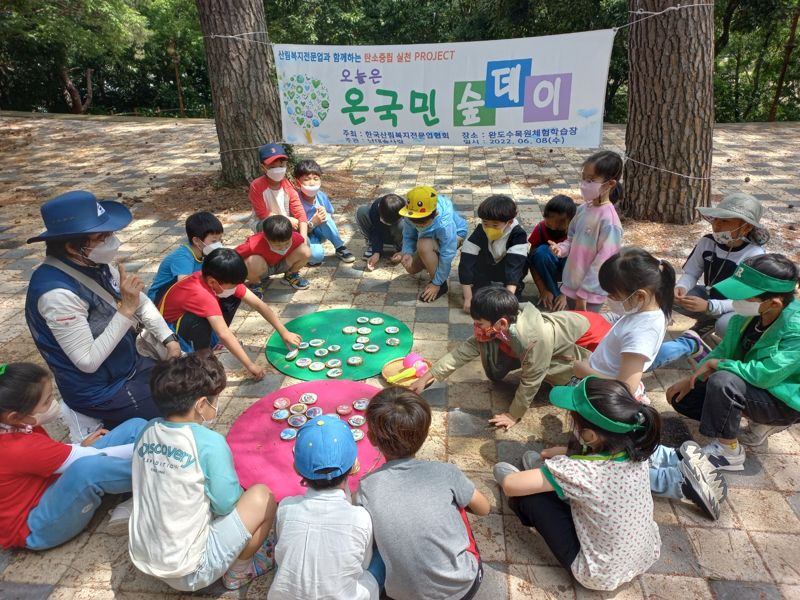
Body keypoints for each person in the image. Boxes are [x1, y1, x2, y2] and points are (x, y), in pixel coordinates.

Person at [25, 190, 181, 438]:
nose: (112, 240)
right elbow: (87, 361)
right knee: (175, 414)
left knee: (193, 378)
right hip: (100, 389)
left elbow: (139, 301)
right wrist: (126, 309)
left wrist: (169, 341)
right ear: (72, 247)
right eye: (103, 236)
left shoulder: (95, 264)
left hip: (129, 364)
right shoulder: (57, 295)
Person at [493, 377, 661, 592]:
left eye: (575, 423)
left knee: (526, 494)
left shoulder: (581, 471)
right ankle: (549, 476)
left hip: (597, 573)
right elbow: (592, 462)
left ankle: (547, 478)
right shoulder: (637, 451)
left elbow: (510, 485)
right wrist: (565, 455)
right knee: (557, 477)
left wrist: (548, 466)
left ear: (590, 435)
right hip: (644, 555)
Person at [129, 352, 278, 591]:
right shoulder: (209, 442)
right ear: (200, 404)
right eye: (214, 400)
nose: (215, 406)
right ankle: (239, 573)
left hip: (145, 557)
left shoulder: (147, 429)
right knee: (262, 497)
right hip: (190, 571)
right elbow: (225, 504)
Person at [667, 253, 800, 470]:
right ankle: (746, 420)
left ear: (774, 303)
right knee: (683, 398)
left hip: (784, 401)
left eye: (745, 297)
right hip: (756, 387)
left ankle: (729, 451)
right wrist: (693, 378)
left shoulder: (796, 328)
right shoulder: (747, 315)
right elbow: (724, 349)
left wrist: (717, 365)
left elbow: (765, 375)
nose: (736, 301)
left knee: (723, 380)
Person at [411, 287, 611, 429]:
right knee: (496, 347)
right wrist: (428, 376)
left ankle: (571, 377)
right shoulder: (503, 325)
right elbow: (465, 350)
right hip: (569, 330)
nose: (476, 328)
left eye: (479, 323)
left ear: (501, 323)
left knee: (548, 371)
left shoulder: (532, 341)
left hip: (594, 340)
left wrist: (513, 414)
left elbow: (531, 380)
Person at [357, 387, 490, 600]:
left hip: (399, 595)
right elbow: (484, 509)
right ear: (426, 434)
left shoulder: (366, 486)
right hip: (464, 587)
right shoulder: (446, 472)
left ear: (371, 438)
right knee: (459, 504)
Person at [0, 362, 146, 550]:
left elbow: (45, 456)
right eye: (46, 401)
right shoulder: (17, 447)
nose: (52, 403)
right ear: (15, 416)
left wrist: (77, 447)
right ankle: (164, 471)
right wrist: (149, 448)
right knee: (87, 469)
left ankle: (156, 462)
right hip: (37, 527)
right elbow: (92, 458)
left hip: (51, 486)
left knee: (134, 426)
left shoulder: (16, 424)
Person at [268, 415, 383, 600]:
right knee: (381, 557)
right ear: (354, 466)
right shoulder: (361, 518)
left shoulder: (285, 508)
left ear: (297, 469)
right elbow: (363, 565)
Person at [649, 192, 768, 370]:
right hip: (709, 295)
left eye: (726, 221)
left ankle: (723, 338)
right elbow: (691, 272)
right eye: (716, 219)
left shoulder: (754, 255)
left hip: (739, 308)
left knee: (723, 325)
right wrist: (681, 287)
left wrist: (709, 307)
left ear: (746, 228)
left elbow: (746, 301)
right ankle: (706, 322)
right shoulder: (707, 242)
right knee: (667, 295)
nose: (717, 225)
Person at [158, 248, 301, 380]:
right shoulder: (201, 294)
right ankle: (199, 359)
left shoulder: (217, 280)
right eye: (233, 285)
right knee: (198, 321)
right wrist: (250, 365)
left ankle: (210, 343)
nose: (235, 287)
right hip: (170, 332)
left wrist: (284, 332)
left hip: (190, 316)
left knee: (232, 297)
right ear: (212, 282)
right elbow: (224, 334)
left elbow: (258, 304)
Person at [572, 247, 674, 400]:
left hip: (605, 395)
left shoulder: (641, 333)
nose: (610, 298)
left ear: (640, 295)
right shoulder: (646, 310)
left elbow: (627, 387)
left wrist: (585, 371)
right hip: (602, 380)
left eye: (614, 295)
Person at [550, 151, 623, 312]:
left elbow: (604, 262)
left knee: (585, 333)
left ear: (610, 184)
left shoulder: (609, 221)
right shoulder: (583, 209)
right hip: (571, 286)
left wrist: (584, 293)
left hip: (589, 295)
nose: (584, 184)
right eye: (583, 178)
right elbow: (571, 238)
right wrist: (561, 249)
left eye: (591, 180)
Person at [458, 194, 528, 313]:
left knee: (523, 260)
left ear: (509, 222)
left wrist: (508, 300)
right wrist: (468, 298)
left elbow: (515, 267)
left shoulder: (518, 234)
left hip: (506, 269)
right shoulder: (480, 230)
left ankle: (514, 292)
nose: (489, 228)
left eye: (495, 225)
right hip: (487, 268)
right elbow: (466, 262)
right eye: (485, 223)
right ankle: (480, 286)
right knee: (473, 258)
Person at [399, 185, 468, 302]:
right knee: (410, 268)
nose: (419, 226)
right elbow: (408, 236)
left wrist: (437, 282)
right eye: (415, 224)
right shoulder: (411, 214)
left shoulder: (444, 223)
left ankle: (441, 286)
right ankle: (433, 260)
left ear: (434, 214)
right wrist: (408, 253)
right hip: (429, 237)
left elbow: (448, 253)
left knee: (423, 245)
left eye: (423, 224)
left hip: (455, 234)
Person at [147, 211, 224, 304]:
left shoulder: (205, 253)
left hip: (178, 296)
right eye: (214, 241)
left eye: (220, 239)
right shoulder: (183, 257)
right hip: (159, 301)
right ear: (196, 241)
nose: (218, 244)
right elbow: (185, 286)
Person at [293, 159, 355, 265]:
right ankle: (308, 250)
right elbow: (295, 228)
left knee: (326, 216)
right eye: (307, 179)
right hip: (304, 235)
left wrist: (324, 215)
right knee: (316, 258)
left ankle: (339, 247)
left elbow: (330, 214)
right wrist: (313, 223)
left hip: (320, 231)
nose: (312, 183)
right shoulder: (294, 199)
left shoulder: (321, 196)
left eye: (316, 178)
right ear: (297, 182)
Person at [236, 215, 312, 291]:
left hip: (283, 264)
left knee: (305, 250)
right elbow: (233, 256)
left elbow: (303, 251)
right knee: (253, 261)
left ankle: (291, 275)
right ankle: (255, 283)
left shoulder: (296, 238)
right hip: (262, 268)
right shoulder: (253, 244)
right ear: (265, 238)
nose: (283, 247)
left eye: (287, 243)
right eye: (277, 245)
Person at [248, 143, 308, 239]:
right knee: (273, 229)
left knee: (305, 243)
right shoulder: (256, 186)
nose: (278, 170)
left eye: (281, 166)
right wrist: (287, 220)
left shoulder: (288, 186)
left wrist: (304, 238)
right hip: (264, 223)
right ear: (263, 167)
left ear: (286, 165)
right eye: (272, 167)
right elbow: (262, 213)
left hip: (286, 225)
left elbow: (300, 212)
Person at [528, 194, 577, 311]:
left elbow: (582, 265)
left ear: (572, 222)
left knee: (573, 255)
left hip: (571, 272)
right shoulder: (540, 229)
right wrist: (543, 289)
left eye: (560, 227)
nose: (554, 228)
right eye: (549, 225)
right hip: (548, 267)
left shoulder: (576, 232)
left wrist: (566, 294)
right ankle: (553, 293)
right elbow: (532, 262)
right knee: (541, 252)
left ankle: (565, 294)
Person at [356, 193, 406, 271]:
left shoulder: (404, 209)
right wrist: (376, 252)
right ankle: (372, 245)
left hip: (398, 234)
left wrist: (404, 251)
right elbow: (376, 230)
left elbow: (412, 233)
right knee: (362, 211)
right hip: (383, 234)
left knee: (402, 225)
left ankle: (400, 247)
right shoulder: (376, 207)